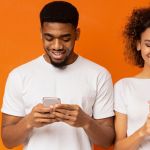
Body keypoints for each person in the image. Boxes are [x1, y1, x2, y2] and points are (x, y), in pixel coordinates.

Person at [1, 1, 115, 150]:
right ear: (41, 33)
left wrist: (86, 121)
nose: (57, 46)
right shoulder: (19, 75)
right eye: (49, 38)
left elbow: (108, 140)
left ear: (77, 34)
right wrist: (29, 121)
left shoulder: (99, 75)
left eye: (65, 38)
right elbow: (8, 141)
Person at [114, 7, 150, 150]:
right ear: (138, 44)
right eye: (149, 44)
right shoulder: (124, 87)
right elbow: (119, 147)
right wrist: (144, 131)